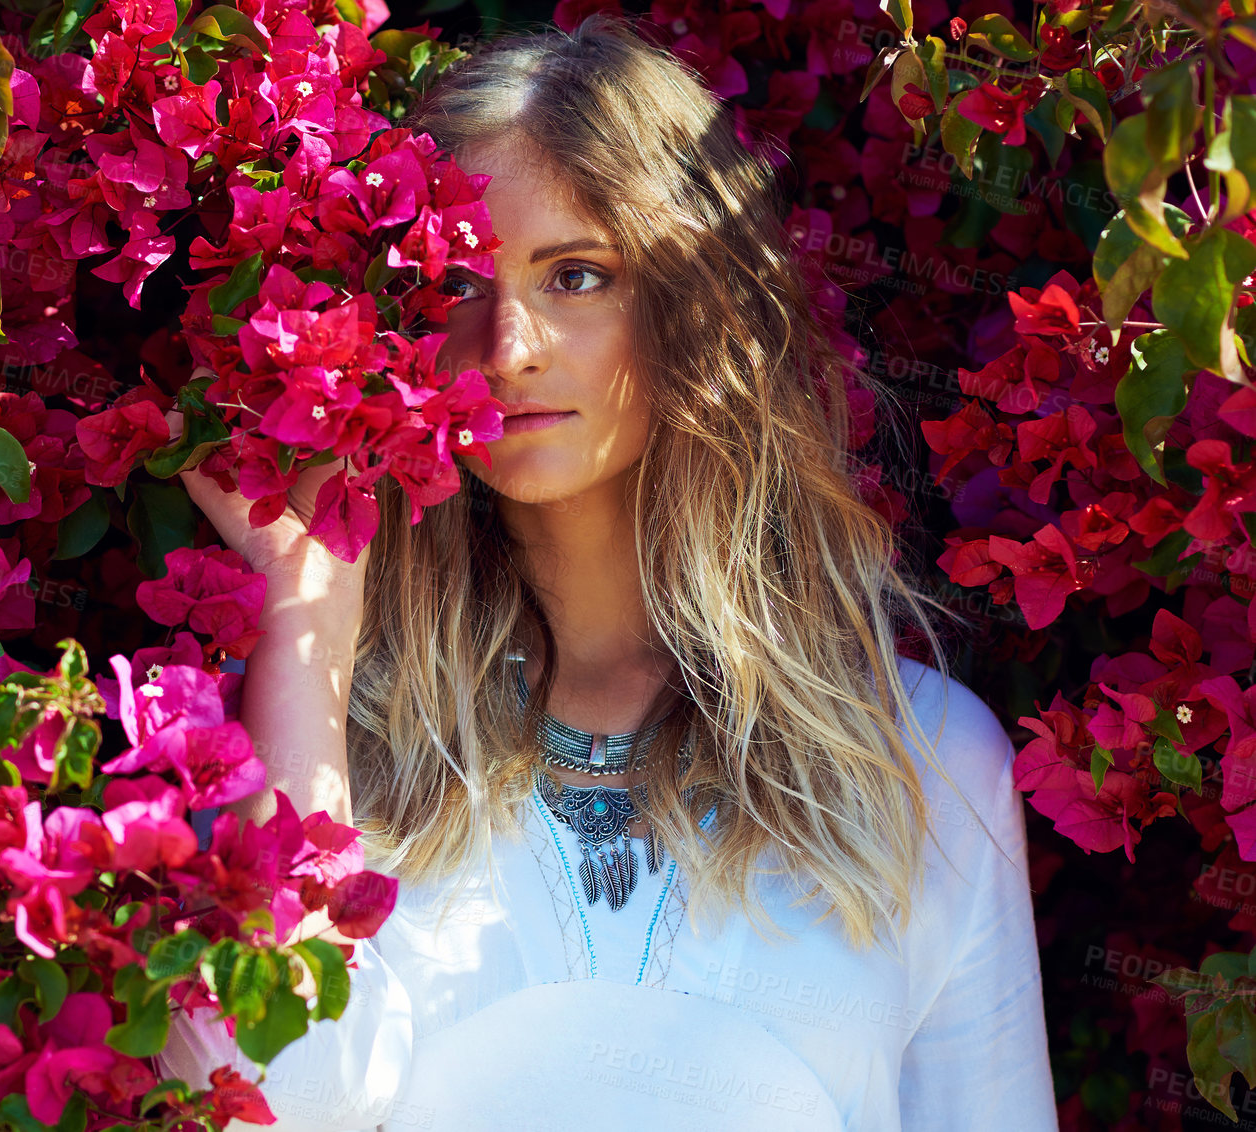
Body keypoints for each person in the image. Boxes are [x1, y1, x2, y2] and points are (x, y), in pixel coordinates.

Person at [156, 16, 1058, 1131]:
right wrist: (309, 626)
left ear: (696, 306)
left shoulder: (926, 766)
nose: (511, 346)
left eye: (577, 275)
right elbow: (259, 1103)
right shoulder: (305, 745)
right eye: (450, 286)